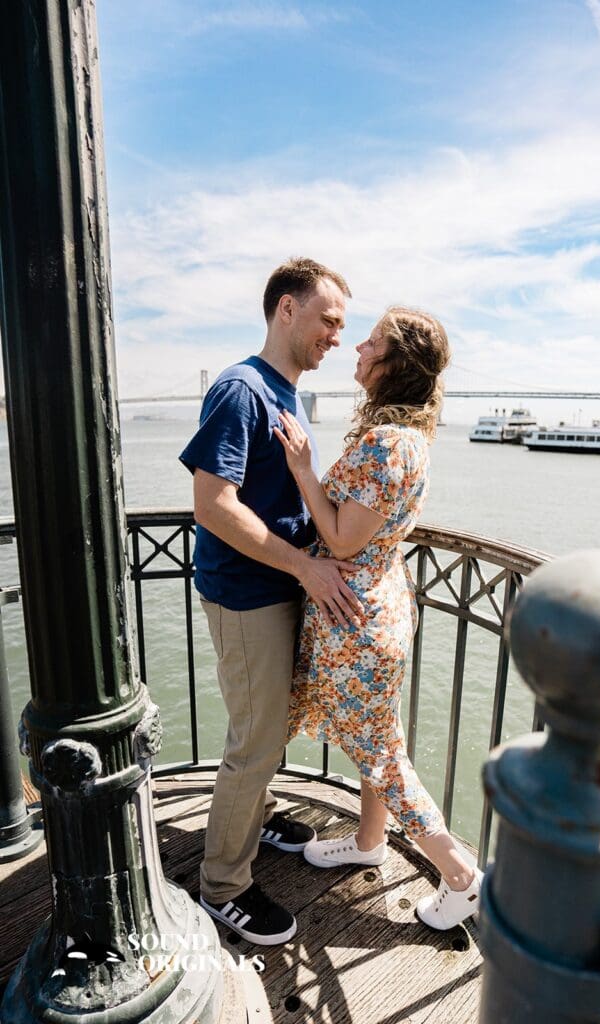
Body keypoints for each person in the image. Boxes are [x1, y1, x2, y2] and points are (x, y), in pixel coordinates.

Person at [274, 306, 482, 930]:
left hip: (355, 624)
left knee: (383, 755)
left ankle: (462, 876)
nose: (357, 348)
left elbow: (342, 538)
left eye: (372, 342)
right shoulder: (409, 438)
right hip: (376, 607)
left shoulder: (387, 443)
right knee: (377, 740)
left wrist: (304, 471)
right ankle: (369, 841)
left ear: (395, 366)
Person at [179, 257, 364, 946]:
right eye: (328, 321)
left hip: (278, 587)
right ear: (287, 309)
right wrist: (306, 567)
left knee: (267, 728)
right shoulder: (240, 389)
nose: (336, 337)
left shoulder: (284, 392)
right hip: (247, 595)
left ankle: (254, 819)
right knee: (253, 742)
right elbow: (213, 506)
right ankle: (223, 886)